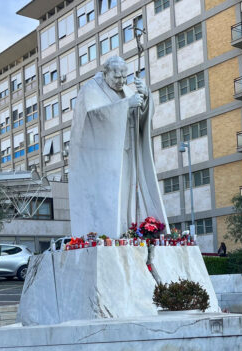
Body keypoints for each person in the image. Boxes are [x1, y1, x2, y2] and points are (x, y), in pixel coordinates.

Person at [68, 55, 168, 238]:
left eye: (125, 77)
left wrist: (145, 98)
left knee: (129, 197)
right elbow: (92, 117)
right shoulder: (91, 89)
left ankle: (128, 233)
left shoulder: (128, 91)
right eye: (117, 78)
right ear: (105, 74)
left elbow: (141, 119)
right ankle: (110, 235)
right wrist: (125, 106)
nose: (121, 81)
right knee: (112, 198)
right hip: (105, 158)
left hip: (128, 152)